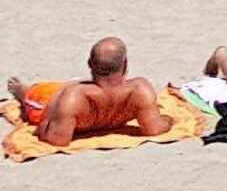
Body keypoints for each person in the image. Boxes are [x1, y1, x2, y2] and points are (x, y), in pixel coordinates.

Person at [20, 37, 170, 145]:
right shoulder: (140, 89)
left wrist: (46, 122)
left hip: (63, 97)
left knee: (46, 92)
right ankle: (21, 92)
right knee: (32, 94)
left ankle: (26, 91)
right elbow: (155, 129)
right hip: (63, 95)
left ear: (89, 64)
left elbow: (56, 139)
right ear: (125, 64)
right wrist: (169, 120)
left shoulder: (73, 96)